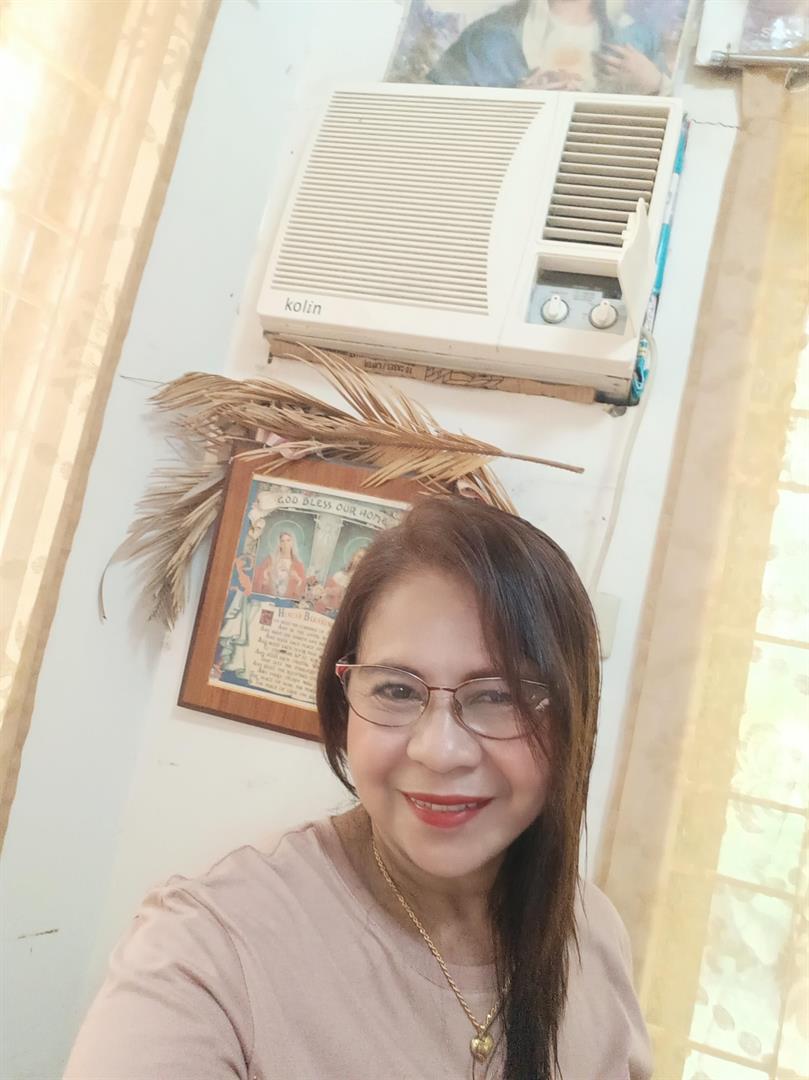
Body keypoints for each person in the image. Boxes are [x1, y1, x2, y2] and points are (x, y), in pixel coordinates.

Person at [65, 497, 651, 1079]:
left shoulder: (593, 932)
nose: (438, 751)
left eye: (498, 696)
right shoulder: (207, 949)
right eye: (397, 690)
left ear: (575, 715)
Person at [428, 0, 668, 95]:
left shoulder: (637, 39)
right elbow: (430, 117)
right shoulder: (488, 38)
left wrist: (656, 85)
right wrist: (513, 104)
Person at [252, 529, 306, 600]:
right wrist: (266, 573)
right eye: (282, 541)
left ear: (292, 543)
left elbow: (302, 588)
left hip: (287, 600)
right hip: (269, 598)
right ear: (279, 544)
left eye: (288, 540)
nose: (285, 544)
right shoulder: (270, 559)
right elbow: (258, 577)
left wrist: (297, 579)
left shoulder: (298, 565)